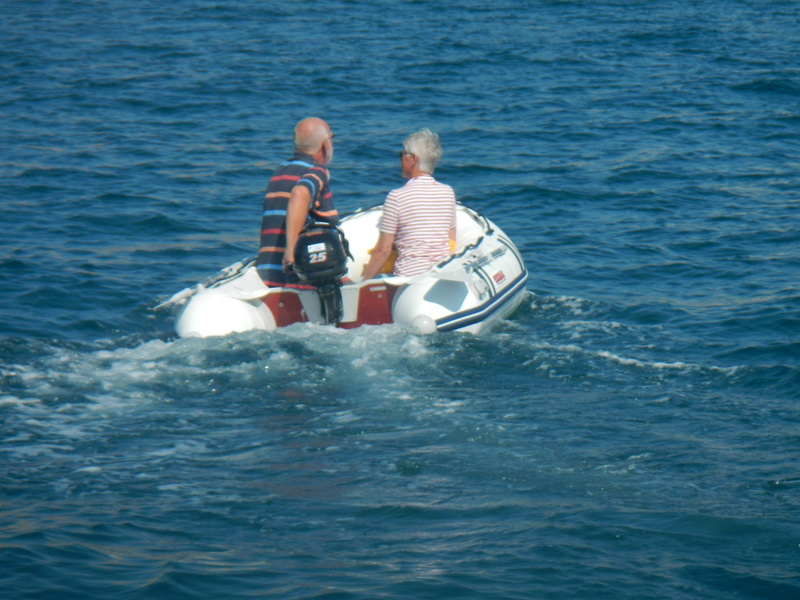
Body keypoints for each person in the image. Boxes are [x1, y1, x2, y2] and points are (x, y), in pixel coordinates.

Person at [362, 128, 456, 281]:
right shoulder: (448, 192)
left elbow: (383, 251)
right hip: (441, 277)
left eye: (402, 155)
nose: (400, 159)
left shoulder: (396, 197)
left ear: (413, 159)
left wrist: (364, 282)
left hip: (408, 279)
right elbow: (451, 239)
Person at [257, 117, 338, 287]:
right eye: (332, 138)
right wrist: (290, 251)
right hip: (297, 277)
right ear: (325, 144)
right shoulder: (317, 171)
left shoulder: (280, 171)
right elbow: (300, 193)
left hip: (268, 273)